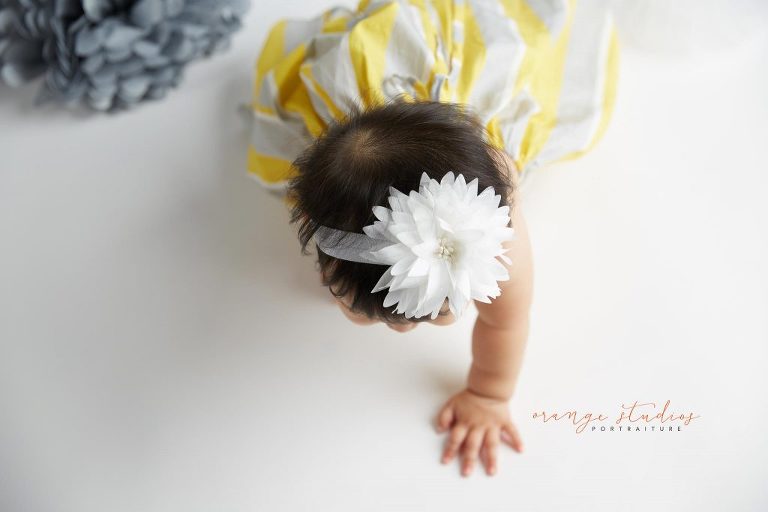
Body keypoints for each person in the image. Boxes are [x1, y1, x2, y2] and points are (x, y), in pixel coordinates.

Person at [243, 0, 619, 477]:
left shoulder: (496, 236)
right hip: (383, 81)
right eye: (344, 296)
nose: (402, 331)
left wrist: (488, 393)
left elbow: (506, 322)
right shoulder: (320, 205)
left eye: (434, 315)